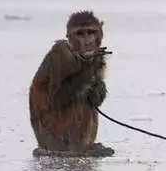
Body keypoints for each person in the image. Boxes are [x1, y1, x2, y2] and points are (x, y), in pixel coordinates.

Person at [28, 11, 114, 157]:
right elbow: (59, 99)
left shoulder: (96, 59)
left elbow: (96, 100)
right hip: (51, 127)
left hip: (73, 128)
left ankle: (85, 144)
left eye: (91, 33)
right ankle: (76, 146)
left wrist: (97, 85)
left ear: (100, 34)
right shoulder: (61, 54)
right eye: (80, 34)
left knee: (88, 101)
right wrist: (88, 74)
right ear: (70, 37)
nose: (87, 41)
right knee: (78, 96)